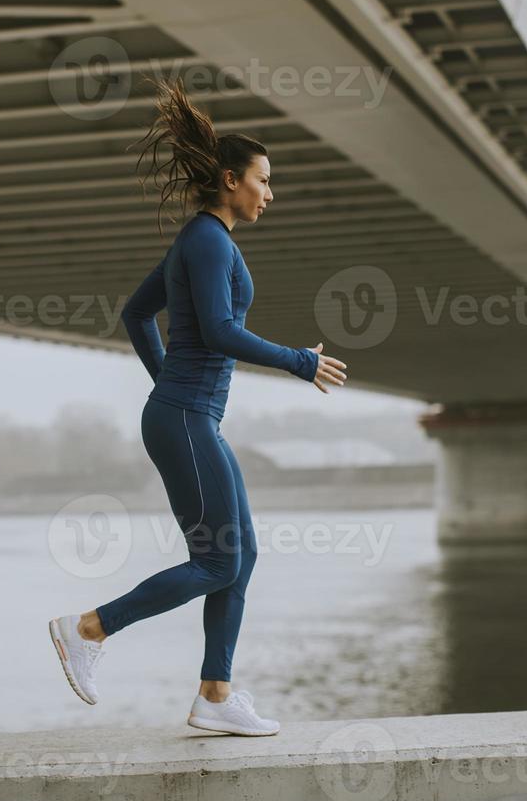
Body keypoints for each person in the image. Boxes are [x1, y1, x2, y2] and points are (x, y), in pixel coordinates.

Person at [48, 77, 349, 736]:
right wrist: (298, 360)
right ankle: (87, 629)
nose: (269, 193)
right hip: (185, 418)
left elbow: (135, 316)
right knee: (217, 560)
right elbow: (216, 330)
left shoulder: (198, 240)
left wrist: (168, 386)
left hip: (185, 415)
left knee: (240, 555)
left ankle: (216, 695)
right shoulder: (210, 241)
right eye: (263, 180)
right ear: (230, 180)